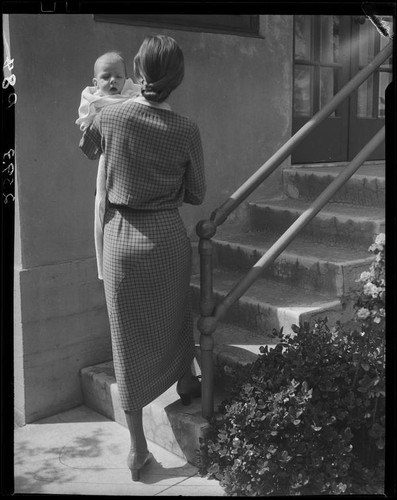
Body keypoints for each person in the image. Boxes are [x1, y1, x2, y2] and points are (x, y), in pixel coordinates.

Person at [79, 35, 206, 481]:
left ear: (136, 68)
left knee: (126, 341)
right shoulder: (187, 128)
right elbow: (196, 194)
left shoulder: (110, 115)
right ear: (178, 79)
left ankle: (138, 450)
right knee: (177, 314)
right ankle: (187, 381)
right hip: (167, 237)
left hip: (121, 240)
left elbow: (88, 149)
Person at [76, 51, 141, 279]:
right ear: (95, 82)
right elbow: (89, 145)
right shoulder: (93, 102)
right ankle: (105, 267)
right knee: (103, 205)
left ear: (126, 79)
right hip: (108, 162)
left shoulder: (134, 97)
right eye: (106, 77)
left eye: (118, 77)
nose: (113, 81)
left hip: (134, 161)